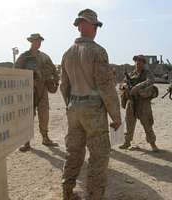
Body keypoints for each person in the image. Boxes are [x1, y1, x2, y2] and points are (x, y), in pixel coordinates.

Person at [60, 9, 121, 200]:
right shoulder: (97, 51)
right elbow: (106, 87)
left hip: (74, 108)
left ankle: (67, 191)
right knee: (98, 155)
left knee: (73, 152)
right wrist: (116, 116)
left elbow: (64, 86)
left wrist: (71, 105)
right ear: (86, 25)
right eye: (95, 25)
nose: (96, 29)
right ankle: (94, 196)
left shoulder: (67, 53)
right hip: (93, 109)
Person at [15, 33, 59, 151]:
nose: (38, 43)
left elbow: (54, 70)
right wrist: (28, 81)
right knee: (28, 116)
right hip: (29, 91)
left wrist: (56, 82)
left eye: (40, 41)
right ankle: (26, 142)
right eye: (36, 41)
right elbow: (16, 72)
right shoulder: (24, 57)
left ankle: (45, 138)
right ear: (31, 42)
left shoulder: (44, 57)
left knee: (44, 114)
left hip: (43, 89)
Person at [119, 55, 159, 152]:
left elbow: (151, 81)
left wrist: (137, 87)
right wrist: (124, 86)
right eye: (136, 62)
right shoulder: (131, 74)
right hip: (131, 102)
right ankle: (127, 142)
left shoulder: (147, 73)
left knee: (147, 123)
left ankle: (153, 144)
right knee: (129, 123)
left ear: (144, 63)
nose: (137, 63)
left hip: (143, 103)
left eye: (140, 62)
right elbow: (121, 85)